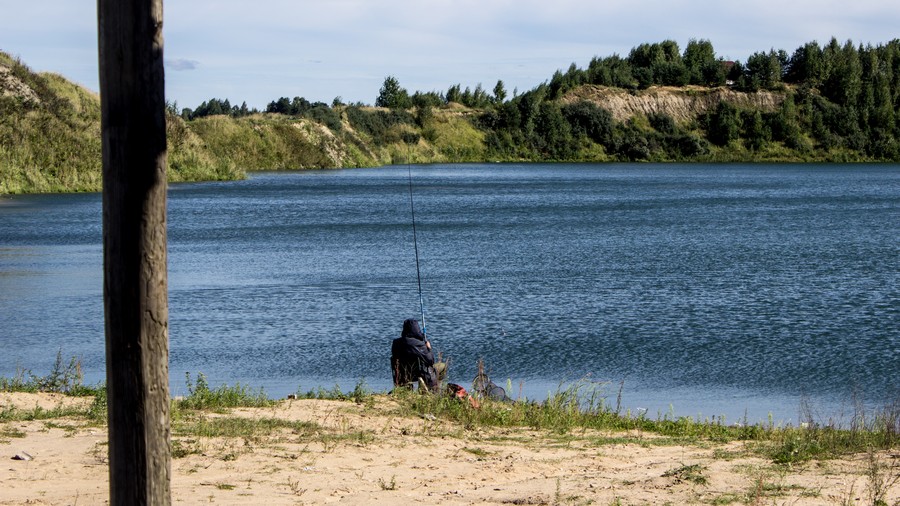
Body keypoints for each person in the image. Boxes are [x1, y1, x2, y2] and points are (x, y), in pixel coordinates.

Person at [391, 318, 439, 391]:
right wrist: (429, 349)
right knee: (441, 367)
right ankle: (432, 389)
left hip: (403, 374)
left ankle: (405, 387)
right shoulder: (421, 344)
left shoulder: (396, 343)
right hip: (421, 373)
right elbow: (430, 360)